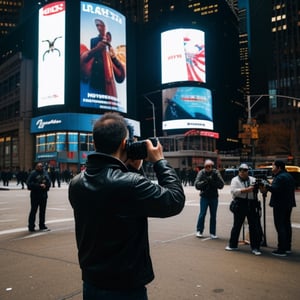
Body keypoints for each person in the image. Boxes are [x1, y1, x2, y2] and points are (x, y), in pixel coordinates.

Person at [68, 112, 185, 300]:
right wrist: (160, 162)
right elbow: (174, 200)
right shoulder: (131, 184)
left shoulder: (76, 183)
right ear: (124, 143)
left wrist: (130, 169)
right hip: (125, 287)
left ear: (95, 144)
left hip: (91, 283)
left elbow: (112, 206)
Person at [80, 19, 125, 97]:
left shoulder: (112, 56)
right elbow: (84, 60)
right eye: (98, 26)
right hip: (92, 90)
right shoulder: (88, 46)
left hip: (108, 94)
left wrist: (113, 58)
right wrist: (96, 49)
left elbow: (120, 76)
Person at [225, 163, 262, 256]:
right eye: (240, 170)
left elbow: (261, 190)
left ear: (248, 171)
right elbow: (233, 191)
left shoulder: (253, 179)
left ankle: (255, 247)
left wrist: (261, 186)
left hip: (252, 203)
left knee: (253, 226)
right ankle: (233, 245)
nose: (242, 172)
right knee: (237, 225)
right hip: (240, 203)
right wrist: (246, 190)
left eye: (245, 170)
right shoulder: (235, 180)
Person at [264, 160, 296, 257]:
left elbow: (275, 189)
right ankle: (287, 247)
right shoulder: (288, 176)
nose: (272, 167)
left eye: (273, 166)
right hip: (288, 204)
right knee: (287, 225)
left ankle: (281, 249)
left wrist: (266, 185)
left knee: (280, 226)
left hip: (280, 204)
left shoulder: (279, 177)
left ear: (279, 167)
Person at [194, 159, 225, 239]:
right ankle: (199, 230)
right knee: (202, 214)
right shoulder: (201, 172)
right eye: (206, 166)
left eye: (209, 166)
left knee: (213, 215)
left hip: (214, 197)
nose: (207, 168)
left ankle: (212, 232)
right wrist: (205, 182)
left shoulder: (216, 172)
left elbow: (221, 185)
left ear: (212, 166)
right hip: (204, 196)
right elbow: (196, 185)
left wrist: (212, 181)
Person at [26, 163, 51, 232]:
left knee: (42, 211)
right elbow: (28, 184)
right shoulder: (33, 174)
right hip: (35, 195)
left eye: (41, 166)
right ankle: (31, 226)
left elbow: (49, 182)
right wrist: (39, 185)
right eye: (39, 166)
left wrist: (46, 186)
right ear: (36, 167)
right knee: (33, 211)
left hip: (43, 195)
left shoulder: (45, 173)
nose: (40, 167)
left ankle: (42, 225)